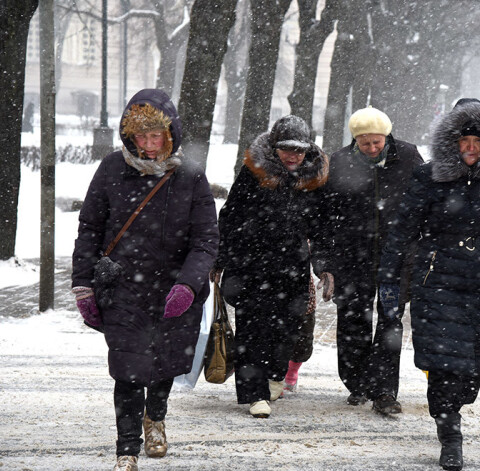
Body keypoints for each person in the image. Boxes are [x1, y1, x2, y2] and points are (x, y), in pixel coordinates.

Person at [378, 102, 480, 470]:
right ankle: (449, 434)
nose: (470, 148)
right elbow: (401, 231)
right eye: (464, 141)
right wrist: (389, 282)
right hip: (437, 281)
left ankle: (455, 407)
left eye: (477, 142)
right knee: (442, 365)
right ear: (452, 143)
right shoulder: (429, 176)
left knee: (473, 368)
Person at [71, 89, 219, 471]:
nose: (149, 145)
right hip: (123, 288)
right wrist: (84, 284)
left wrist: (187, 284)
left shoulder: (189, 175)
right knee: (128, 367)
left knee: (166, 363)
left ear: (170, 135)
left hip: (173, 291)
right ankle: (127, 447)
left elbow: (206, 239)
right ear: (129, 136)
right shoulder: (110, 170)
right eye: (141, 136)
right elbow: (89, 228)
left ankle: (156, 418)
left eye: (156, 137)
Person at [210, 115, 334, 419]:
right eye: (286, 149)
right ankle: (254, 393)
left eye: (299, 150)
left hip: (291, 267)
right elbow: (230, 217)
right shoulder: (254, 172)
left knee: (286, 329)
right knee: (252, 328)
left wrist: (325, 268)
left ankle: (275, 376)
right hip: (250, 264)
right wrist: (219, 259)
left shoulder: (312, 179)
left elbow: (321, 228)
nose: (293, 156)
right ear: (274, 148)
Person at [324, 106, 424, 415]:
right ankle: (356, 382)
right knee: (354, 319)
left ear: (387, 136)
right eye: (365, 143)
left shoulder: (408, 157)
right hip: (352, 255)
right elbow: (328, 213)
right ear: (355, 141)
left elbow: (423, 200)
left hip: (397, 256)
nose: (371, 148)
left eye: (377, 142)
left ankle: (384, 390)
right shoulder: (340, 161)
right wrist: (326, 261)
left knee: (390, 321)